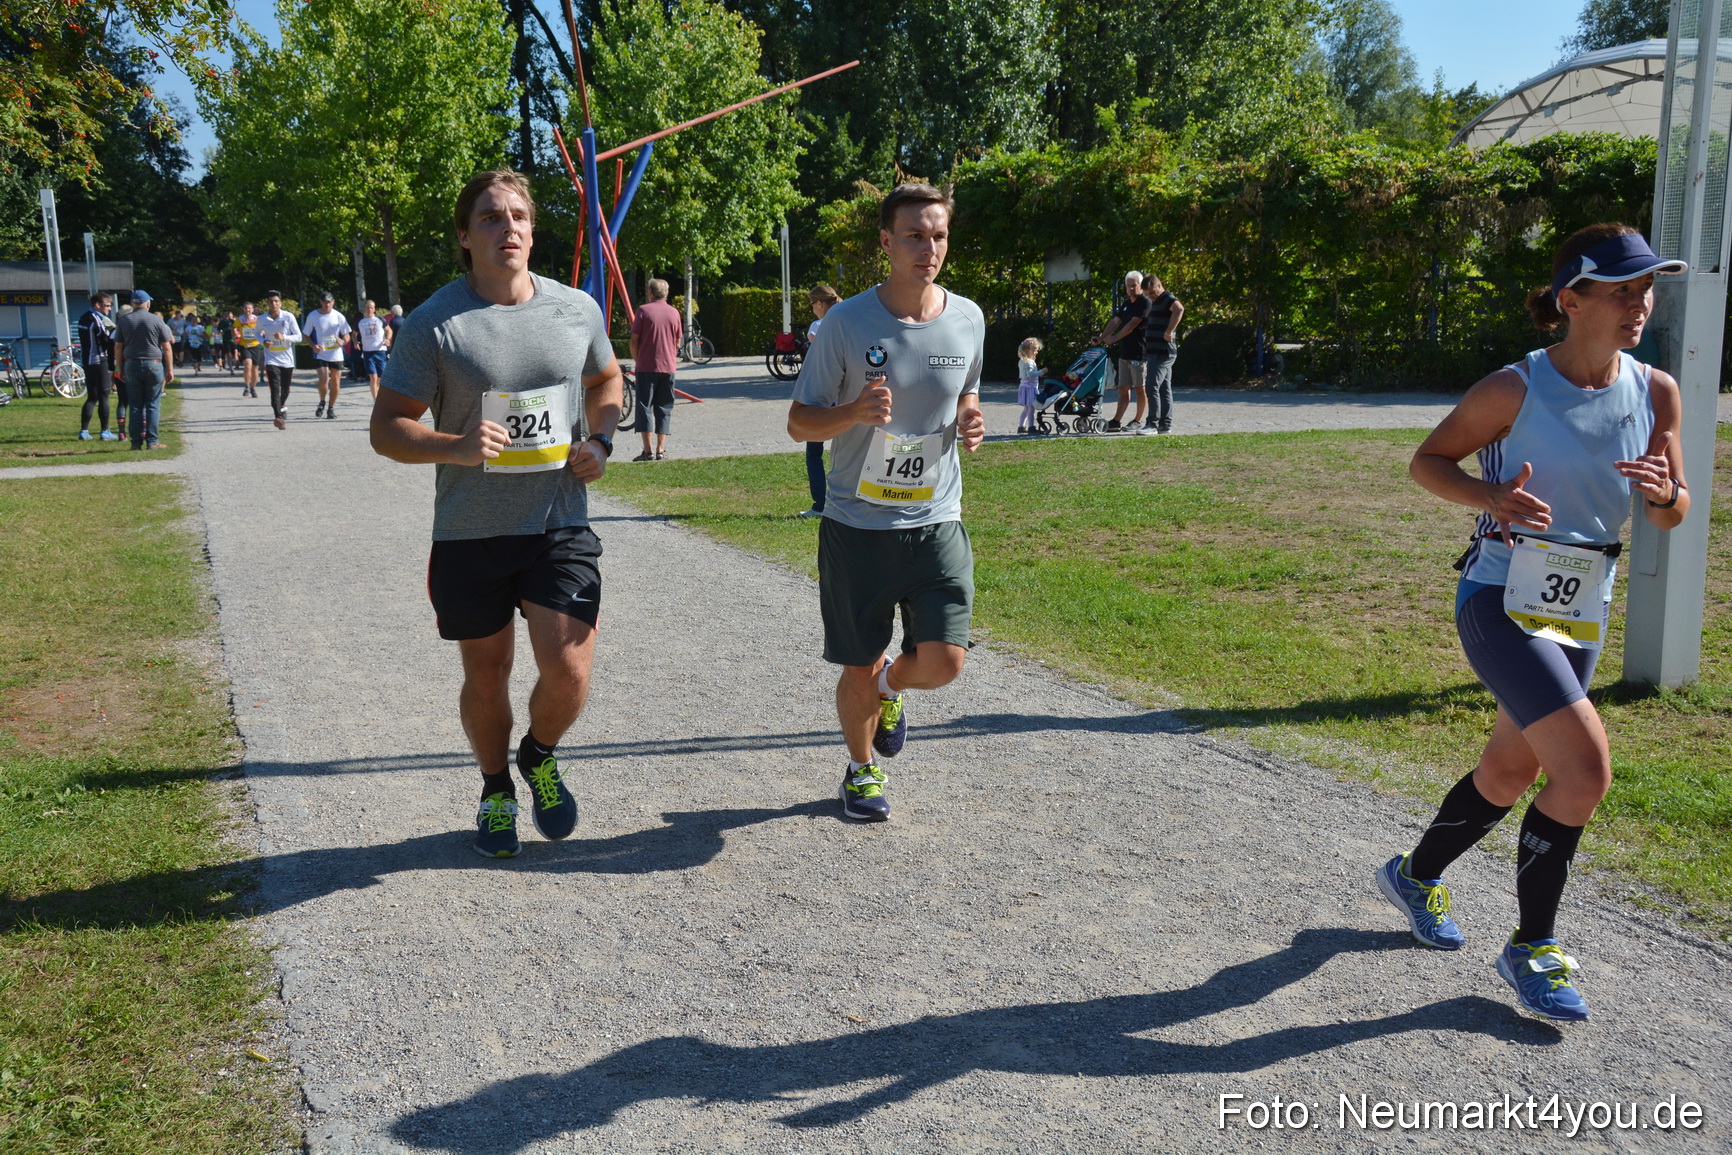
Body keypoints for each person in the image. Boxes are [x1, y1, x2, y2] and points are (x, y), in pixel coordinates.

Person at [1375, 223, 1690, 1022]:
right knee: (1584, 769)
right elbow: (1427, 462)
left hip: (1581, 605)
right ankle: (1532, 946)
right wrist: (1492, 498)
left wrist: (1661, 494)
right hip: (1499, 597)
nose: (1640, 305)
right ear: (1570, 297)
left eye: (1646, 290)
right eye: (1622, 290)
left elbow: (1672, 511)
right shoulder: (1513, 388)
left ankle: (1414, 873)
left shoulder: (1656, 391)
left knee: (1512, 772)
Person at [369, 169, 624, 859]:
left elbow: (606, 380)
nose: (507, 227)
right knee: (486, 675)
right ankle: (495, 789)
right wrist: (454, 444)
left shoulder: (576, 309)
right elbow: (387, 427)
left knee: (569, 668)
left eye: (518, 216)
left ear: (533, 231)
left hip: (557, 524)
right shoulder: (435, 323)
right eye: (489, 217)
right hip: (469, 531)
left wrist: (600, 437)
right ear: (464, 235)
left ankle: (538, 754)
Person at [786, 182, 986, 823]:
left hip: (937, 517)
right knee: (857, 660)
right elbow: (798, 423)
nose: (929, 248)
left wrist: (972, 416)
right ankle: (860, 769)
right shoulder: (846, 323)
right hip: (858, 523)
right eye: (914, 235)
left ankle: (891, 689)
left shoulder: (968, 318)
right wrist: (851, 412)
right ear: (886, 242)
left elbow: (966, 391)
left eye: (938, 235)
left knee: (945, 661)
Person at [111, 290, 174, 450]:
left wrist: (119, 367)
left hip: (131, 363)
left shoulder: (124, 321)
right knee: (153, 404)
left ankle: (136, 442)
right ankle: (152, 441)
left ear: (133, 303)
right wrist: (170, 369)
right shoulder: (157, 321)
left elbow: (118, 346)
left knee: (135, 404)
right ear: (148, 303)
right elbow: (167, 347)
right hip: (153, 363)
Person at [626, 278, 681, 462]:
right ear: (666, 293)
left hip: (646, 367)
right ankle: (661, 450)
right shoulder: (674, 313)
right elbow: (677, 343)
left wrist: (638, 359)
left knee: (645, 407)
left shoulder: (643, 311)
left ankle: (647, 451)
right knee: (664, 407)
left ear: (650, 292)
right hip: (668, 367)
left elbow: (634, 340)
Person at [798, 284, 841, 517]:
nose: (813, 310)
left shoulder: (817, 326)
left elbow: (817, 349)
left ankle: (820, 504)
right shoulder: (848, 320)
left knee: (814, 452)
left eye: (812, 305)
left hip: (820, 396)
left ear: (820, 304)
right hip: (845, 397)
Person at [1094, 271, 1150, 432]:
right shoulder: (1127, 303)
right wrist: (1102, 337)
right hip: (1125, 352)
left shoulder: (1144, 302)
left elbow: (1132, 324)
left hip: (1140, 353)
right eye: (1128, 286)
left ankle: (1138, 420)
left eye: (1134, 285)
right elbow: (1116, 321)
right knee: (1123, 387)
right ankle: (1116, 421)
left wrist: (1115, 338)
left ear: (1140, 285)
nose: (1131, 288)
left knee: (1139, 387)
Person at [1139, 275, 1183, 435]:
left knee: (1152, 386)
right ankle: (1165, 425)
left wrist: (1169, 331)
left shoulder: (1167, 298)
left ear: (1159, 285)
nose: (1151, 296)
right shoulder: (1157, 301)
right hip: (1154, 351)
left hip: (1163, 351)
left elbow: (1179, 309)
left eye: (1152, 292)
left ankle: (1153, 423)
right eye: (1147, 294)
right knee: (1164, 388)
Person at [76, 292, 119, 442]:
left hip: (87, 360)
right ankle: (105, 431)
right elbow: (105, 338)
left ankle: (84, 430)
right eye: (106, 306)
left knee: (92, 396)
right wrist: (114, 331)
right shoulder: (96, 318)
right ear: (97, 305)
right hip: (98, 360)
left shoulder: (83, 317)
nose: (109, 309)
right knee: (104, 396)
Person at [256, 291, 302, 429]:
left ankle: (282, 404)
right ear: (267, 304)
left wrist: (285, 337)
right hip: (271, 359)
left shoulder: (288, 317)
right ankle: (278, 417)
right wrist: (263, 342)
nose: (273, 304)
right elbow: (257, 333)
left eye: (276, 301)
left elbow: (299, 337)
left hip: (286, 359)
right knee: (274, 388)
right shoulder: (262, 319)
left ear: (280, 303)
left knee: (285, 389)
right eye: (271, 301)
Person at [304, 292, 352, 420]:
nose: (327, 304)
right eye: (325, 301)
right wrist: (313, 346)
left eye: (329, 301)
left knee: (336, 382)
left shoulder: (338, 316)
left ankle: (331, 408)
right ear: (321, 302)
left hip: (336, 354)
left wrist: (343, 341)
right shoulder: (313, 315)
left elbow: (347, 334)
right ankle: (322, 401)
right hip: (321, 353)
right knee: (323, 380)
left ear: (333, 302)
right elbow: (305, 335)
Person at [354, 298, 392, 400]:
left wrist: (388, 339)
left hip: (380, 351)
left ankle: (380, 395)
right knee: (373, 377)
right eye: (367, 308)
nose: (369, 310)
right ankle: (376, 400)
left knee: (381, 377)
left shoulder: (380, 320)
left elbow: (389, 330)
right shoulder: (360, 322)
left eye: (371, 308)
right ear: (364, 309)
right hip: (368, 352)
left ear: (374, 309)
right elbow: (354, 333)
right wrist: (355, 341)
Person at [1015, 336, 1043, 435]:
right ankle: (1031, 427)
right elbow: (1031, 375)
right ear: (1028, 350)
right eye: (1035, 350)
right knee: (1031, 408)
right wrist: (1041, 372)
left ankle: (1021, 426)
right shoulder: (1029, 362)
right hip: (1030, 387)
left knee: (1026, 409)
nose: (1037, 352)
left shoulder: (1022, 361)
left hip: (1024, 386)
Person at [236, 301, 264, 398]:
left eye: (249, 308)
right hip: (244, 345)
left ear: (252, 310)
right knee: (248, 364)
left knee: (255, 368)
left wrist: (262, 333)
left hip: (255, 345)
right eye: (246, 308)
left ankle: (253, 388)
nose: (247, 310)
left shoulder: (257, 319)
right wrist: (235, 335)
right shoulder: (240, 319)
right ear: (243, 309)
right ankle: (246, 386)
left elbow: (262, 329)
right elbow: (234, 328)